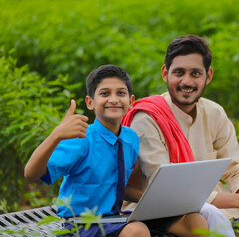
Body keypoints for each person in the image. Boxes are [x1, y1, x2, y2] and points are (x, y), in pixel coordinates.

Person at [121, 35, 239, 237]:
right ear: (165, 73)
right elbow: (168, 190)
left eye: (195, 73)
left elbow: (235, 167)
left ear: (208, 75)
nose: (186, 81)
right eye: (179, 72)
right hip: (164, 209)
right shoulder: (148, 118)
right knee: (209, 214)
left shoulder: (214, 112)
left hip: (213, 201)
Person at [24, 64, 208, 237]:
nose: (113, 99)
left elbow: (118, 186)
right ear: (90, 102)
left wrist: (155, 201)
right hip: (81, 223)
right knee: (137, 231)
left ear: (130, 102)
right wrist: (56, 135)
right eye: (104, 93)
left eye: (120, 93)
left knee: (195, 222)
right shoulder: (80, 139)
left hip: (115, 217)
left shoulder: (130, 138)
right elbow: (31, 173)